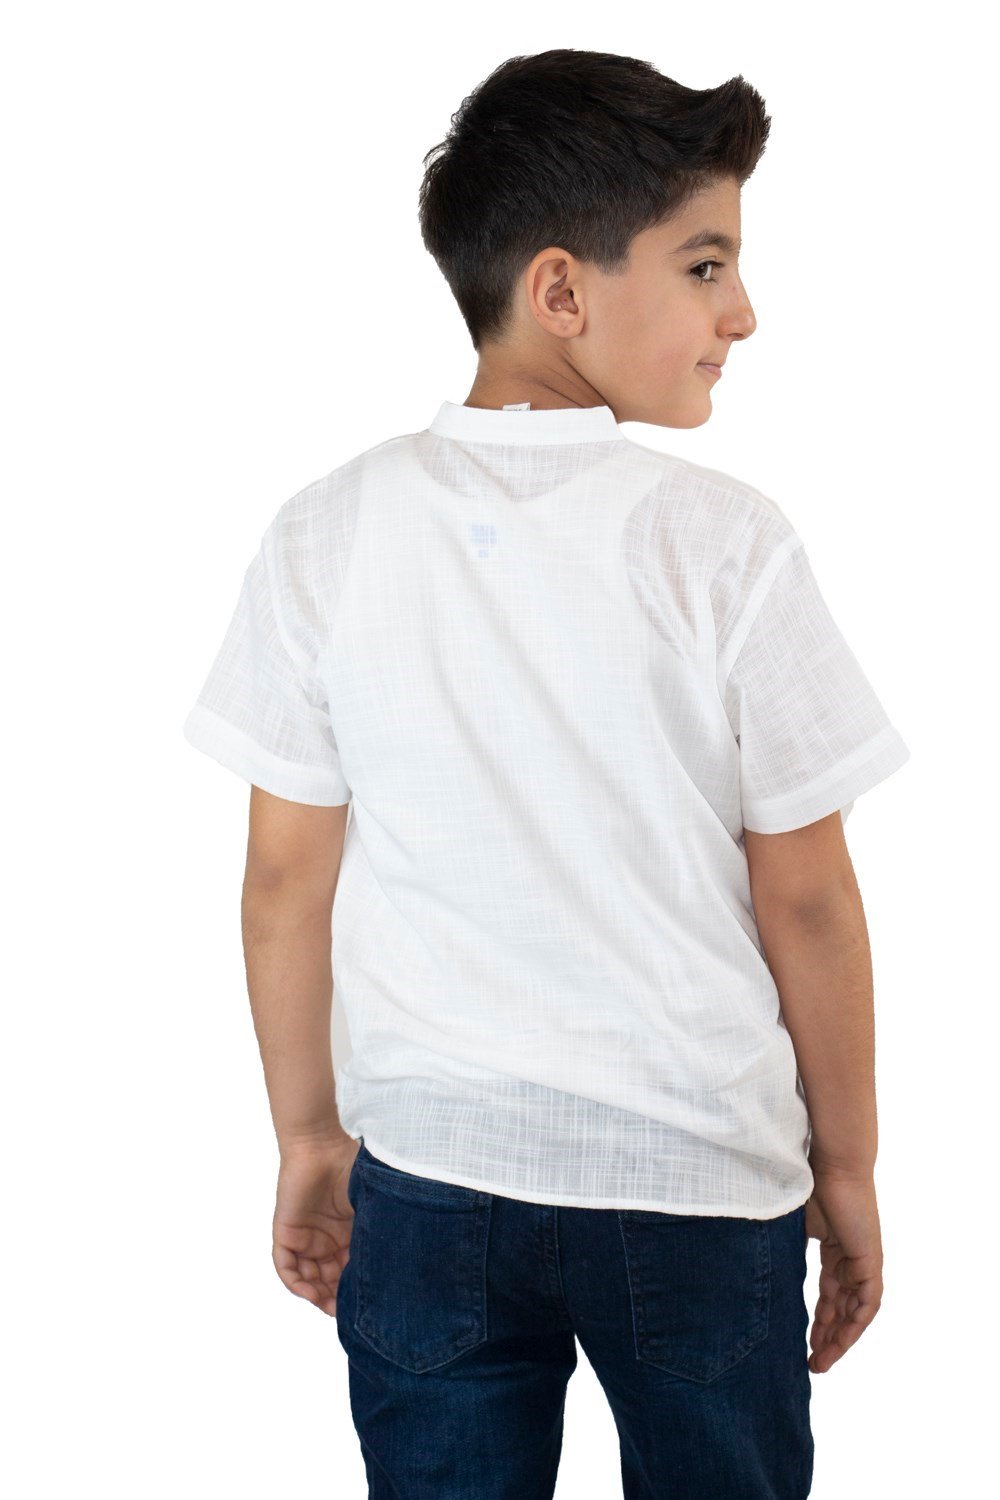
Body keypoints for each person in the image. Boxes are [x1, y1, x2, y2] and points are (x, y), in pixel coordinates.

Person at [182, 48, 910, 1500]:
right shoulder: (723, 545)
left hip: (432, 1182)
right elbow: (810, 900)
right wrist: (847, 1170)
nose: (743, 314)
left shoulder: (329, 531)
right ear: (561, 291)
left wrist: (311, 1138)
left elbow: (281, 884)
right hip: (699, 1186)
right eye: (705, 265)